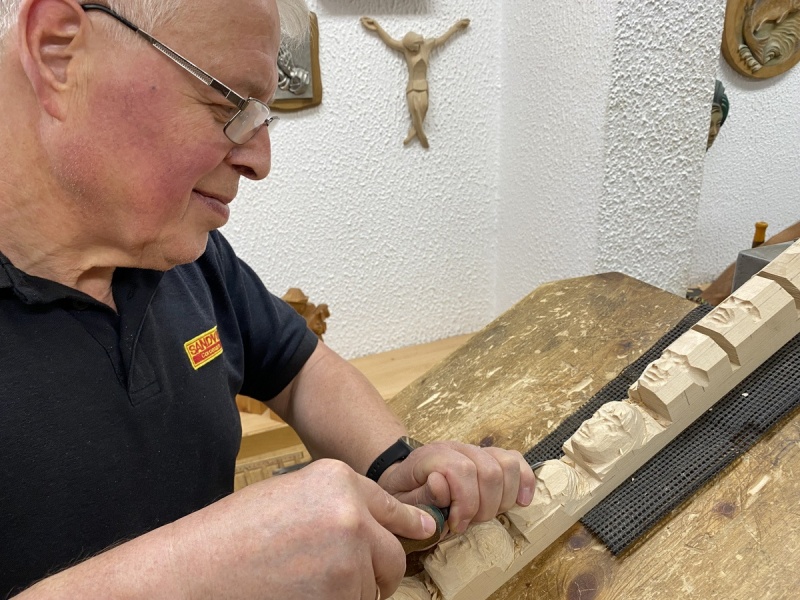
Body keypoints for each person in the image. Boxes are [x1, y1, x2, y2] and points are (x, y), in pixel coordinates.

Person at [0, 1, 536, 598]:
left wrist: (392, 463)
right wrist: (204, 568)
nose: (260, 162)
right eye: (227, 105)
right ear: (58, 51)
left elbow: (299, 368)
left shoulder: (177, 252)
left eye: (261, 117)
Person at [361, 16, 470, 149]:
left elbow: (442, 39)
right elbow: (389, 40)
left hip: (423, 86)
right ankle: (420, 135)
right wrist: (377, 27)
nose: (412, 50)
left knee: (424, 108)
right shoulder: (405, 48)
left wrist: (456, 27)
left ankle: (413, 132)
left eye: (414, 47)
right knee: (414, 109)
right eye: (410, 48)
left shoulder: (427, 46)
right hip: (412, 87)